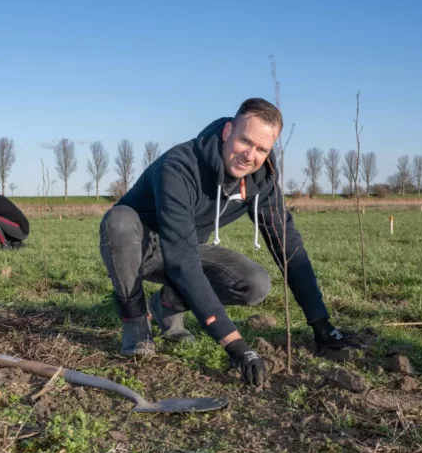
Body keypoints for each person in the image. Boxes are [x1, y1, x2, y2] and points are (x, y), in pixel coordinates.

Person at [99, 98, 361, 388]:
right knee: (119, 220)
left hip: (187, 248)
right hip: (139, 248)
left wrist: (321, 323)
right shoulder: (179, 168)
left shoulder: (262, 182)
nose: (250, 155)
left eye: (262, 149)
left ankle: (165, 304)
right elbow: (182, 264)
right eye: (245, 141)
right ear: (227, 132)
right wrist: (234, 344)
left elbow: (289, 248)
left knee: (255, 283)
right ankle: (135, 319)